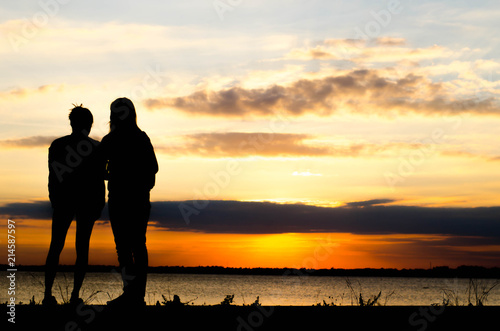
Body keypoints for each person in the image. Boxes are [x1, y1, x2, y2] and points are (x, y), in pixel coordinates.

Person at [44, 105, 105, 306]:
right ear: (89, 124)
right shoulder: (96, 148)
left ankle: (47, 295)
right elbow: (100, 178)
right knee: (81, 248)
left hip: (64, 201)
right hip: (84, 203)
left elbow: (53, 177)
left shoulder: (58, 145)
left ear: (71, 123)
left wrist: (55, 198)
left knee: (56, 246)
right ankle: (73, 297)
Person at [100, 97, 158, 307]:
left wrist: (114, 175)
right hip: (135, 199)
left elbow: (152, 169)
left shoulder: (112, 140)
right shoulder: (140, 137)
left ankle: (132, 295)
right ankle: (135, 295)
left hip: (123, 199)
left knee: (125, 247)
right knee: (135, 246)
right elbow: (153, 169)